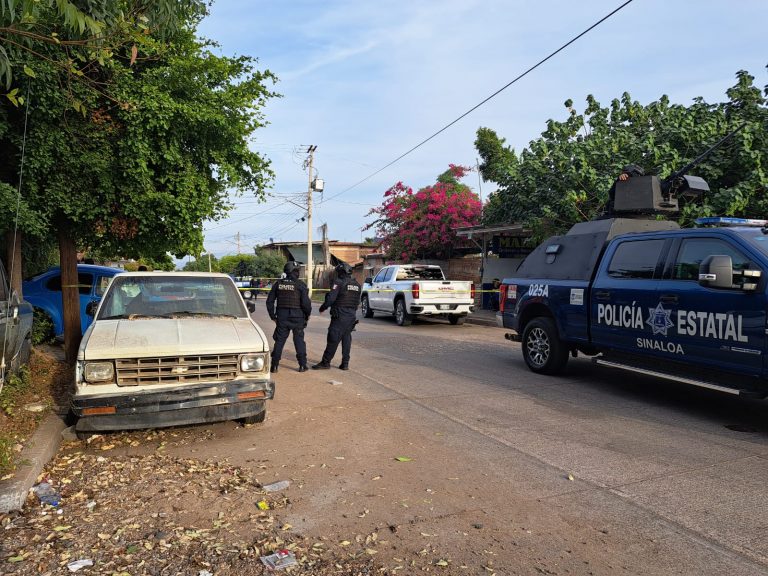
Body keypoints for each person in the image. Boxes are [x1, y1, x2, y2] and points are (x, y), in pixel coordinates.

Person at [312, 263, 361, 371]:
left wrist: (322, 308)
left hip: (340, 316)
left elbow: (330, 299)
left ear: (341, 272)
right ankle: (345, 363)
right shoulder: (357, 285)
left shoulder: (338, 282)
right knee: (346, 339)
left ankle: (325, 362)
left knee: (333, 338)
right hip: (351, 317)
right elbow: (357, 302)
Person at [266, 261, 312, 373]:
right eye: (297, 271)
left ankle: (274, 366)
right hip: (298, 318)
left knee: (279, 341)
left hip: (282, 317)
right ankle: (302, 365)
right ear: (294, 272)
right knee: (299, 341)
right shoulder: (300, 285)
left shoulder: (278, 284)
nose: (298, 273)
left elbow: (269, 302)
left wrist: (273, 316)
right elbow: (306, 304)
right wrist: (307, 315)